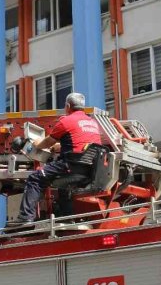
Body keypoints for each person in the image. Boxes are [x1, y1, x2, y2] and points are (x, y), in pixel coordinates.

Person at [13, 92, 102, 225]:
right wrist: (58, 146)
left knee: (35, 178)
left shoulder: (65, 121)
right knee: (64, 187)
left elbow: (45, 143)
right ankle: (67, 218)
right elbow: (82, 144)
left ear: (67, 106)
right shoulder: (92, 123)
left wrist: (37, 142)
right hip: (89, 170)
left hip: (70, 166)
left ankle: (25, 217)